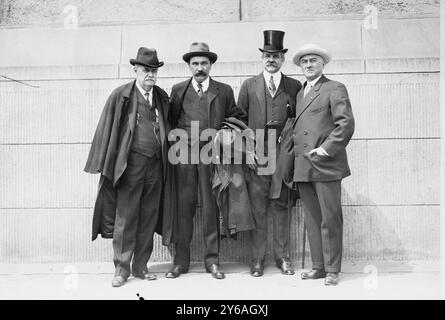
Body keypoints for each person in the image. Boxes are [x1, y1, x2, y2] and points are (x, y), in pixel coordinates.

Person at [84, 47, 172, 287]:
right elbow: (107, 130)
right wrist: (108, 166)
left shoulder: (162, 97)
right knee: (126, 217)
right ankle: (121, 269)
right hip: (130, 166)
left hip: (155, 166)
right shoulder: (121, 95)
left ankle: (141, 266)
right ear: (135, 70)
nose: (150, 75)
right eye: (145, 70)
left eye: (154, 71)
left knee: (148, 216)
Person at [166, 42, 237, 280]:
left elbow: (235, 118)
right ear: (189, 66)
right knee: (183, 209)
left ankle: (212, 261)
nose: (199, 68)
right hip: (184, 157)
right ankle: (180, 262)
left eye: (204, 63)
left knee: (210, 208)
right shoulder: (177, 90)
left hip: (212, 156)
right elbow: (171, 122)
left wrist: (224, 132)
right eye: (195, 63)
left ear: (211, 65)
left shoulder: (224, 90)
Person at [236, 30, 302, 277]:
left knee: (281, 206)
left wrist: (293, 153)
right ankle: (257, 259)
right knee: (259, 209)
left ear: (282, 59)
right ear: (261, 57)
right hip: (257, 156)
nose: (271, 59)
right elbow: (238, 121)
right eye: (267, 55)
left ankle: (283, 257)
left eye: (275, 55)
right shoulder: (249, 85)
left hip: (283, 155)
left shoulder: (294, 86)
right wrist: (247, 151)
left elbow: (299, 122)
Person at [292, 43, 355, 285]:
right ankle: (318, 266)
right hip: (304, 166)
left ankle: (332, 269)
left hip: (326, 164)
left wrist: (326, 149)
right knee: (312, 219)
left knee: (330, 219)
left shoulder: (334, 88)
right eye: (304, 61)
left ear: (322, 64)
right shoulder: (300, 93)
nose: (308, 65)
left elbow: (345, 124)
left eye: (313, 61)